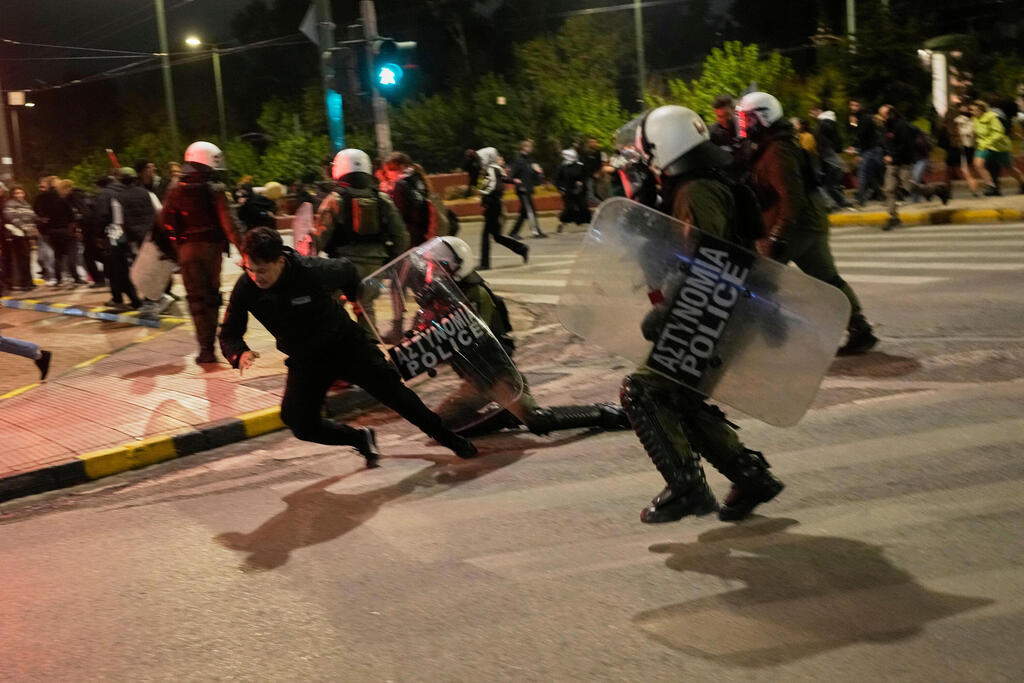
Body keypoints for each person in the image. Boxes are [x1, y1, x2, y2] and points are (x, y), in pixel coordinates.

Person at [624, 104, 784, 523]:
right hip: (725, 307)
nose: (644, 159)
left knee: (643, 391)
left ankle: (687, 487)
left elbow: (710, 255)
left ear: (665, 146)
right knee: (681, 398)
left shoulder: (697, 190)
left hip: (713, 310)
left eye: (648, 150)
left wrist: (670, 309)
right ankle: (750, 476)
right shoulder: (705, 180)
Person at [219, 227, 477, 466]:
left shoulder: (312, 270)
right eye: (250, 269)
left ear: (280, 261)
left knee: (396, 395)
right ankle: (359, 438)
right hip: (306, 359)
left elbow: (348, 270)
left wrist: (356, 299)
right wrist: (239, 352)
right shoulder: (246, 288)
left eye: (262, 270)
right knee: (299, 423)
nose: (256, 277)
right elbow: (229, 332)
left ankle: (448, 438)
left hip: (346, 345)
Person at [420, 236, 627, 435]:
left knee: (537, 420)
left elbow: (466, 336)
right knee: (439, 425)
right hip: (477, 381)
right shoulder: (445, 299)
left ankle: (605, 412)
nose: (435, 272)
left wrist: (436, 332)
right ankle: (504, 417)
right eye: (433, 267)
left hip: (499, 377)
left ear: (459, 266)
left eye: (441, 266)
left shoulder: (476, 295)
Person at [737, 91, 878, 355]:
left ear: (764, 117)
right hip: (808, 222)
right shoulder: (775, 145)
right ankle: (859, 328)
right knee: (828, 280)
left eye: (748, 119)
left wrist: (777, 235)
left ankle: (768, 340)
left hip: (795, 226)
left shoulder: (777, 150)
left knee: (757, 281)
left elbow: (791, 197)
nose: (744, 125)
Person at [158, 141, 242, 363]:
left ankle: (205, 349)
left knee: (195, 300)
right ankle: (211, 347)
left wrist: (176, 247)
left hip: (186, 251)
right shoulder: (216, 189)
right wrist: (246, 251)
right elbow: (230, 225)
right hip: (211, 251)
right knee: (212, 297)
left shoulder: (175, 188)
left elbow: (165, 221)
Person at [313, 149, 408, 336]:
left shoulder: (334, 199)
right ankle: (370, 346)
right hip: (376, 268)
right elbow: (401, 236)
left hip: (342, 267)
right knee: (366, 307)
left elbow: (319, 237)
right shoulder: (383, 199)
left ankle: (330, 344)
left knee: (329, 309)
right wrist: (391, 259)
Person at [877, 104, 950, 229]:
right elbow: (883, 144)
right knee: (889, 189)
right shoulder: (885, 127)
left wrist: (893, 156)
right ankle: (893, 217)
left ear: (890, 114)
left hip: (904, 163)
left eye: (883, 114)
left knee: (910, 187)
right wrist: (885, 155)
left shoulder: (901, 126)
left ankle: (937, 189)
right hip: (892, 165)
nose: (880, 117)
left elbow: (906, 145)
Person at [476, 146, 529, 270]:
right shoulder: (493, 169)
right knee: (497, 236)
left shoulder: (492, 169)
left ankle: (485, 263)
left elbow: (495, 187)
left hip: (493, 205)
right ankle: (522, 248)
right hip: (494, 205)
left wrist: (483, 192)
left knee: (486, 235)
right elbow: (502, 180)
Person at [971, 99, 1024, 196]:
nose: (972, 112)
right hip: (985, 146)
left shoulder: (992, 117)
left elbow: (999, 133)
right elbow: (977, 133)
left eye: (975, 110)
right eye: (972, 110)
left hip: (1000, 146)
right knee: (978, 164)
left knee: (1009, 168)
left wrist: (987, 142)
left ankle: (1022, 183)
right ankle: (991, 185)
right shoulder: (975, 119)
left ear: (982, 110)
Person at [33, 176, 79, 286]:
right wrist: (74, 226)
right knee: (71, 253)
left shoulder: (41, 198)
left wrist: (44, 221)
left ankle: (58, 278)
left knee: (57, 255)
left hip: (51, 230)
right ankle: (75, 277)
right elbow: (70, 214)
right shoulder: (61, 197)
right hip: (65, 229)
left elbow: (37, 211)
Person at [385, 152, 435, 246]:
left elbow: (399, 212)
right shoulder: (417, 178)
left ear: (401, 166)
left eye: (391, 169)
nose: (388, 174)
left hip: (410, 233)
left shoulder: (400, 184)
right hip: (423, 230)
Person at [810, 103, 852, 209]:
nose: (810, 114)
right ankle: (839, 202)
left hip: (827, 156)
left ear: (819, 110)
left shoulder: (823, 124)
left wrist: (821, 152)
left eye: (812, 111)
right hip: (831, 155)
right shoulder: (830, 122)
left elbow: (822, 142)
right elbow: (836, 139)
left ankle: (835, 204)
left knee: (829, 184)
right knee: (832, 183)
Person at [846, 99, 884, 207]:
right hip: (868, 150)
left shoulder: (865, 118)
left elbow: (860, 135)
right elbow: (858, 136)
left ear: (860, 106)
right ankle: (880, 195)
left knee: (862, 174)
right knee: (869, 175)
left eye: (855, 105)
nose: (852, 107)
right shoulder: (860, 118)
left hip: (869, 150)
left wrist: (853, 124)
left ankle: (860, 200)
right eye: (851, 105)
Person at [508, 140, 547, 238]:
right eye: (529, 146)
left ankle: (513, 232)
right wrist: (517, 181)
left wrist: (537, 171)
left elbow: (532, 174)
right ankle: (536, 232)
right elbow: (513, 175)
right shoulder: (518, 160)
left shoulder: (530, 160)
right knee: (530, 210)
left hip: (528, 188)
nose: (531, 148)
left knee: (524, 212)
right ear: (524, 147)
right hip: (522, 189)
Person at [2, 184, 37, 291]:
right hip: (18, 235)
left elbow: (32, 217)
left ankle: (29, 281)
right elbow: (11, 218)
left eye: (21, 192)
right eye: (16, 193)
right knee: (22, 259)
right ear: (12, 194)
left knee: (27, 259)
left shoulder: (26, 204)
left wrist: (33, 227)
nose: (19, 195)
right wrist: (25, 228)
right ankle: (24, 283)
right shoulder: (10, 204)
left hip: (27, 234)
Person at [555, 148, 590, 231]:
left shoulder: (580, 165)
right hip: (567, 190)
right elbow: (557, 179)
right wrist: (560, 188)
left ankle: (585, 221)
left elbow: (585, 176)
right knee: (569, 207)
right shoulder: (562, 166)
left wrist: (581, 182)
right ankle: (562, 222)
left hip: (579, 190)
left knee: (582, 206)